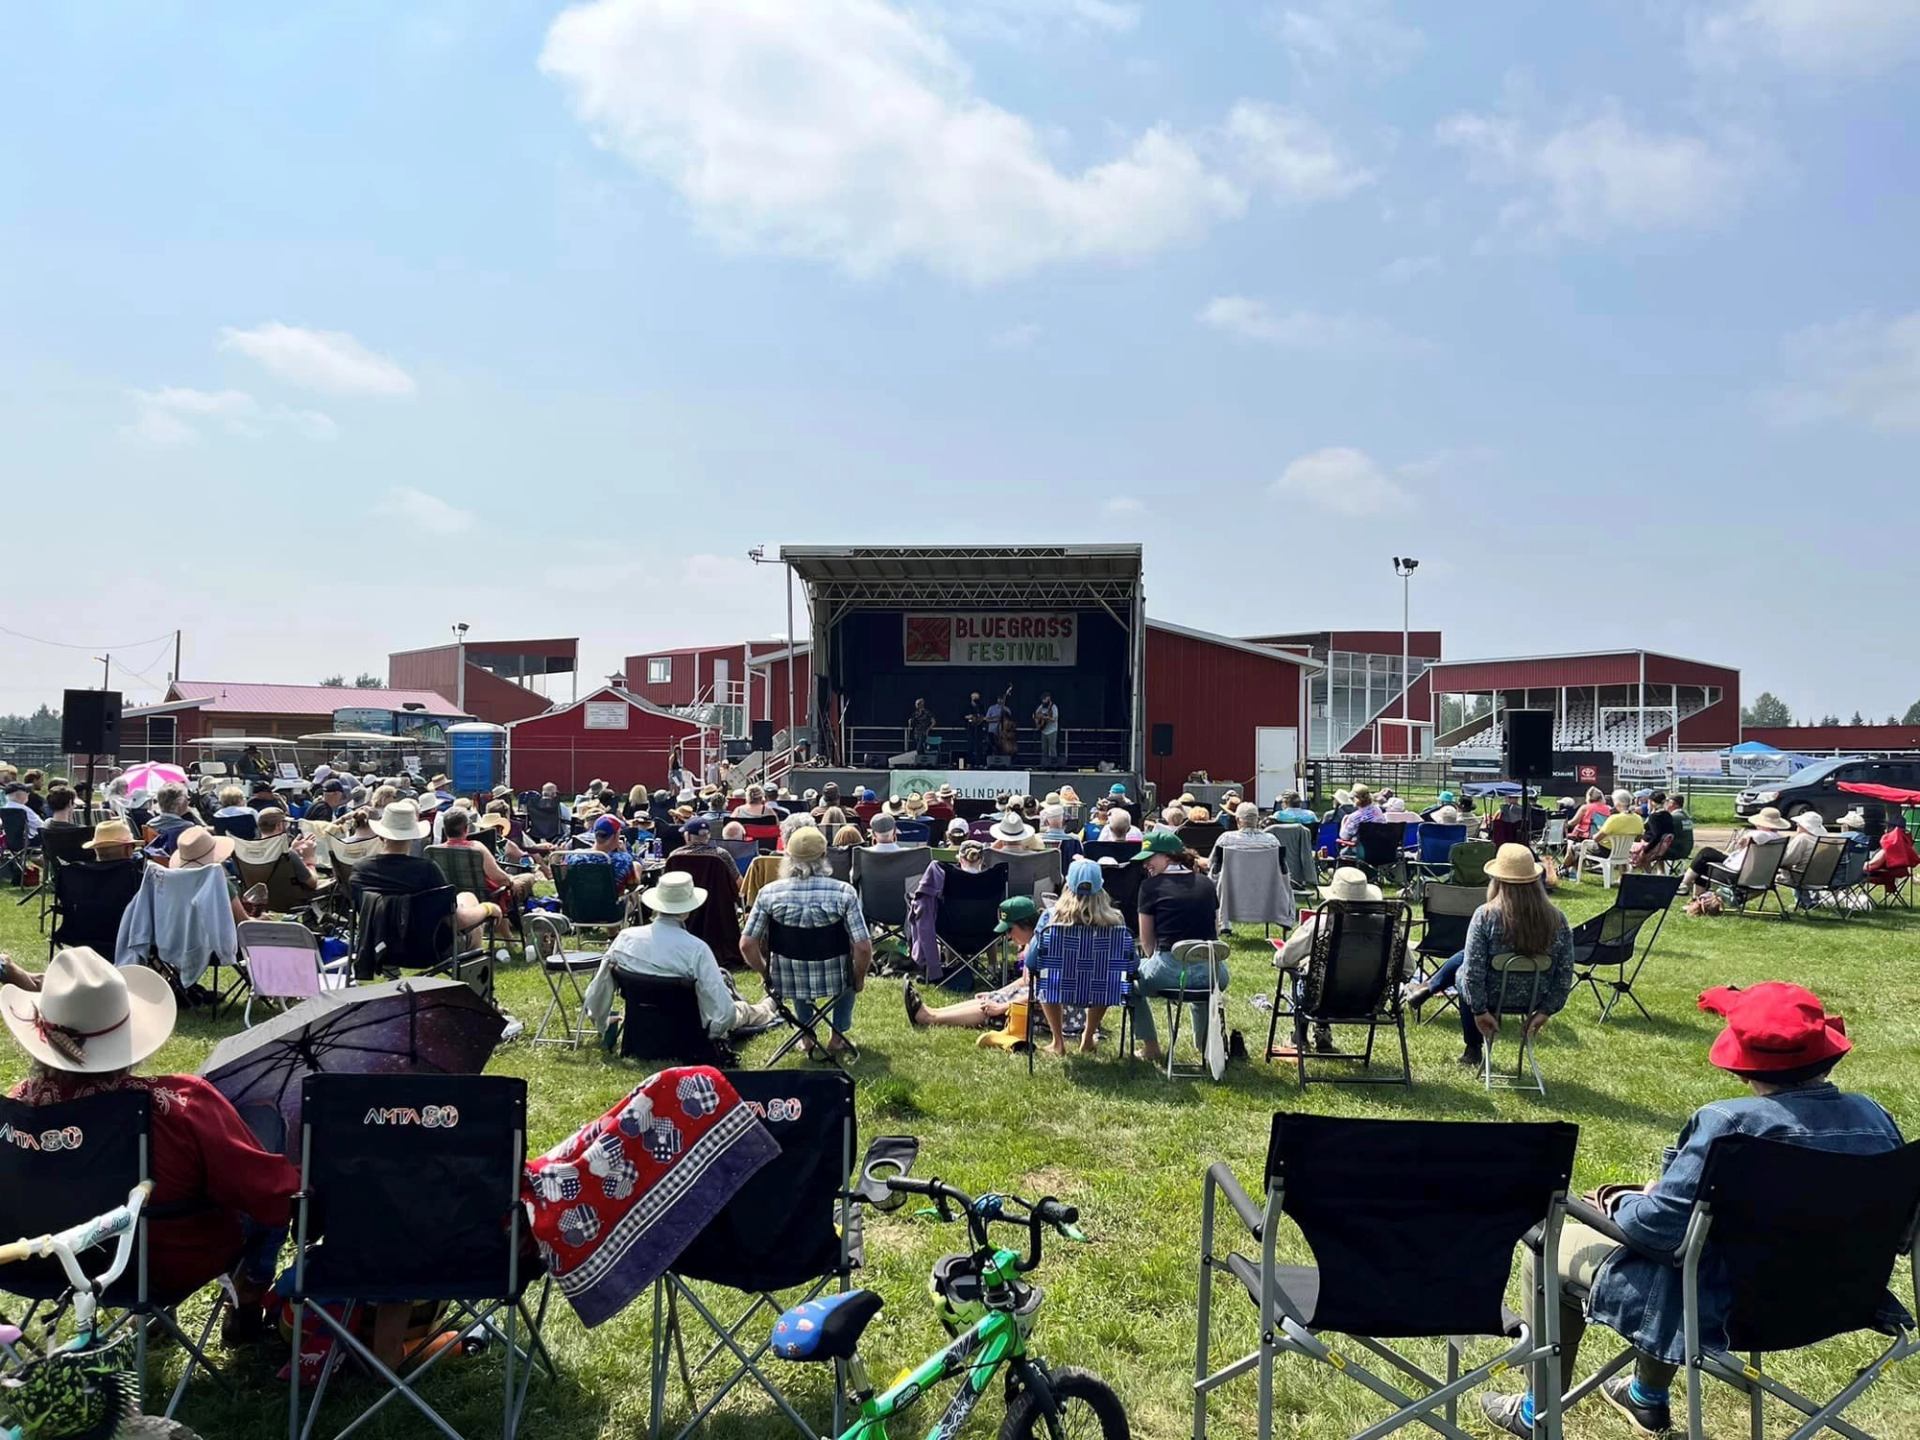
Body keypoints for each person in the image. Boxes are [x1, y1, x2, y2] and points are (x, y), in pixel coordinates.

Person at [1481, 982, 1903, 1439]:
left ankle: (1537, 1411)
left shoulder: (1729, 1125)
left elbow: (1655, 1232)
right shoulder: (1876, 1118)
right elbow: (1899, 1234)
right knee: (1693, 1250)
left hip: (1721, 1309)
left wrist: (1622, 1200)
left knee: (1549, 1241)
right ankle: (1644, 1396)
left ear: (1743, 1068)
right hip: (1839, 1299)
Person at [2, 946, 298, 1335]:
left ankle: (155, 1318)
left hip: (35, 1265)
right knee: (265, 1133)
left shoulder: (13, 1108)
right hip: (160, 1268)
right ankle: (248, 1296)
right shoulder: (176, 1105)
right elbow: (274, 1195)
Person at [1401, 843, 1574, 1065]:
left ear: (1497, 880)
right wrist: (1547, 1010)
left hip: (1491, 994)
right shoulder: (1557, 919)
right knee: (1467, 957)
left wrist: (1480, 1010)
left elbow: (1473, 973)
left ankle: (1472, 1048)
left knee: (1464, 969)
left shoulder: (1485, 916)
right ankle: (1427, 988)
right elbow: (1565, 972)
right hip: (1535, 997)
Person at [582, 871, 776, 1040]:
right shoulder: (696, 949)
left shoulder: (625, 938)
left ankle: (769, 1004)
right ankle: (769, 1006)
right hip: (690, 1031)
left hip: (643, 1026)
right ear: (689, 909)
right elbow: (724, 1015)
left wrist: (601, 1020)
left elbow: (598, 990)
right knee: (741, 1010)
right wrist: (715, 1036)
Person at [740, 826, 872, 1056]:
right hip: (837, 980)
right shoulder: (844, 892)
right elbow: (862, 947)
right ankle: (837, 1036)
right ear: (823, 856)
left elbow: (747, 944)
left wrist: (766, 974)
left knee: (797, 968)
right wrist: (858, 978)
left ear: (788, 857)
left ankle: (805, 1034)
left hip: (787, 981)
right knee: (851, 970)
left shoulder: (768, 893)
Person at [1128, 830, 1225, 1065]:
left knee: (1128, 982)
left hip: (1169, 973)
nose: (1146, 865)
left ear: (1170, 857)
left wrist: (1153, 962)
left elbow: (1148, 942)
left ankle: (1151, 1046)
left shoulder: (1150, 888)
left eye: (1150, 858)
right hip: (1214, 973)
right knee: (1200, 989)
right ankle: (1204, 1047)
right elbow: (1216, 930)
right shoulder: (1206, 884)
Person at [1028, 858, 1134, 1056]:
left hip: (1060, 988)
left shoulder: (1050, 918)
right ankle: (1088, 1037)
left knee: (1046, 977)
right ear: (1101, 887)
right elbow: (1131, 962)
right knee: (1106, 976)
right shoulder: (1116, 920)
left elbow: (1032, 961)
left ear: (1067, 885)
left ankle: (1058, 1042)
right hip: (1101, 991)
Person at [349, 800, 498, 937]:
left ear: (381, 836)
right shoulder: (426, 870)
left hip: (376, 944)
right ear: (413, 837)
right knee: (469, 901)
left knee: (466, 896)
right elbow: (457, 921)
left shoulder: (360, 870)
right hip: (426, 950)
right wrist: (488, 908)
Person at [904, 896, 1040, 1032]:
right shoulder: (1031, 943)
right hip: (1031, 997)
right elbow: (1025, 981)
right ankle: (932, 1012)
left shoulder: (1044, 947)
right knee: (992, 998)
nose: (1008, 936)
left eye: (1010, 929)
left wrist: (1002, 1007)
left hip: (1046, 1009)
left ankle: (929, 1018)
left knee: (994, 1009)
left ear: (1026, 924)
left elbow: (1043, 995)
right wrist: (996, 992)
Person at [441, 806, 538, 907]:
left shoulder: (433, 850)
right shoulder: (477, 848)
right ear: (466, 828)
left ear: (445, 829)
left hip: (454, 900)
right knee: (528, 877)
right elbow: (499, 878)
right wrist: (511, 882)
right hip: (489, 898)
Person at [1686, 806, 1792, 895]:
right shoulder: (1780, 840)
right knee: (1708, 855)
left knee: (1705, 857)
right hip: (1762, 878)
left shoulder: (1761, 835)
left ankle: (1685, 885)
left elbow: (1758, 836)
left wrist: (1743, 839)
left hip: (1737, 876)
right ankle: (1693, 892)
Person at [552, 815, 639, 896]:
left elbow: (563, 882)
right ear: (616, 835)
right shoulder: (623, 860)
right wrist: (625, 853)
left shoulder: (574, 856)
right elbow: (632, 886)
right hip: (611, 910)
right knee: (636, 865)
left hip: (577, 909)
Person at [1574, 789, 1644, 872]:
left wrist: (1597, 833)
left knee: (1574, 847)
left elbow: (1596, 839)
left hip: (1606, 851)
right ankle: (1622, 877)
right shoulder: (1638, 818)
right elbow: (1639, 837)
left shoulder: (1614, 819)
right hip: (1625, 852)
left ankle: (1570, 871)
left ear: (1617, 803)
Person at [1214, 801, 1282, 865]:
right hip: (1264, 877)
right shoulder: (1272, 841)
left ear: (1237, 820)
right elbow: (1282, 870)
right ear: (1258, 820)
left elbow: (1212, 866)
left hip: (1233, 877)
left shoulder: (1225, 839)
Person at [1631, 791, 1679, 869]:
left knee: (1625, 847)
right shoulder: (1668, 815)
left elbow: (1656, 835)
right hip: (1663, 847)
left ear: (1652, 802)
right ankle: (1650, 873)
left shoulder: (1654, 817)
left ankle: (1626, 874)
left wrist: (1645, 851)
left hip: (1651, 847)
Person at [2, 780, 43, 845]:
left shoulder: (4, 809)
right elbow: (40, 825)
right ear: (19, 795)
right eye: (26, 792)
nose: (28, 794)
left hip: (9, 842)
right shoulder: (23, 810)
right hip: (28, 841)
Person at [1034, 691, 1060, 764]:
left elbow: (1054, 719)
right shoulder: (1041, 706)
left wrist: (1046, 718)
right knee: (1044, 748)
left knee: (1052, 747)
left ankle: (1054, 764)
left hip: (1052, 730)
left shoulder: (1054, 707)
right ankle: (1045, 764)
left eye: (1044, 699)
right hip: (1044, 730)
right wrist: (1038, 720)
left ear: (1048, 699)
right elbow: (1036, 714)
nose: (1043, 701)